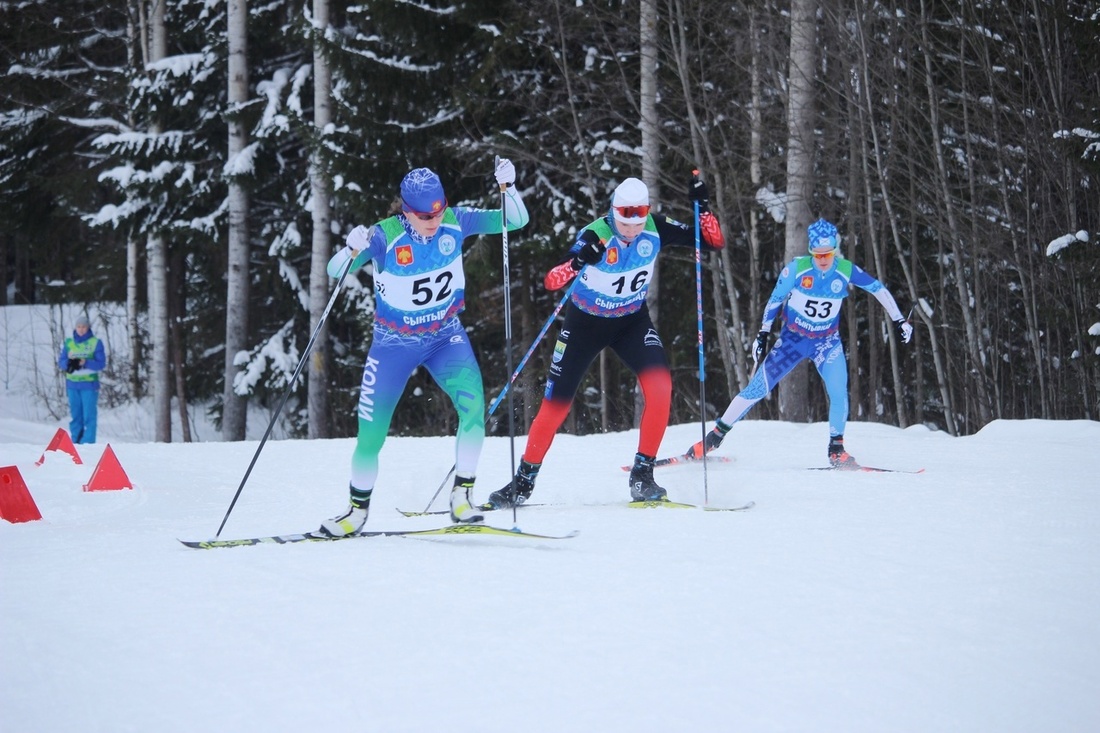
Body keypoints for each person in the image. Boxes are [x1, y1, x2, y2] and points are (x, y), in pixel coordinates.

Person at [486, 174, 725, 508]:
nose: (630, 232)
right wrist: (579, 260)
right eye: (624, 225)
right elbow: (553, 281)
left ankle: (642, 475)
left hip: (631, 323)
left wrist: (703, 208)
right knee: (555, 407)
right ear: (613, 212)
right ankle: (523, 482)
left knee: (660, 388)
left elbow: (712, 242)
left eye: (637, 224)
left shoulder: (655, 228)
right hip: (585, 325)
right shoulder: (596, 233)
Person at [319, 159, 529, 537]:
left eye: (438, 209)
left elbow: (514, 221)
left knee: (474, 408)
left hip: (444, 337)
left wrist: (509, 188)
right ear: (404, 209)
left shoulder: (456, 220)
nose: (433, 220)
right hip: (393, 346)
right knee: (371, 436)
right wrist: (351, 249)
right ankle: (356, 512)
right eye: (423, 214)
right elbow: (336, 272)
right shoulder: (384, 237)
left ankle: (462, 497)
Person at [682, 218, 914, 468]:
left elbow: (877, 288)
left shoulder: (845, 269)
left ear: (835, 250)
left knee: (838, 392)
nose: (823, 259)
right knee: (756, 389)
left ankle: (836, 449)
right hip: (793, 340)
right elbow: (774, 301)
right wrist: (762, 334)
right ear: (811, 251)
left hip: (826, 342)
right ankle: (713, 438)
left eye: (828, 254)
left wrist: (900, 320)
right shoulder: (796, 269)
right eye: (818, 254)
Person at [57, 314, 106, 444]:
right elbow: (61, 361)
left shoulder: (95, 343)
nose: (81, 329)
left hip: (89, 385)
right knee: (76, 416)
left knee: (89, 416)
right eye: (79, 326)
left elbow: (101, 364)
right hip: (72, 385)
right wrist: (68, 364)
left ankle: (88, 442)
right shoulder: (69, 342)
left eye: (83, 327)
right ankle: (75, 442)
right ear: (75, 327)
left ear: (88, 327)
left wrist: (85, 362)